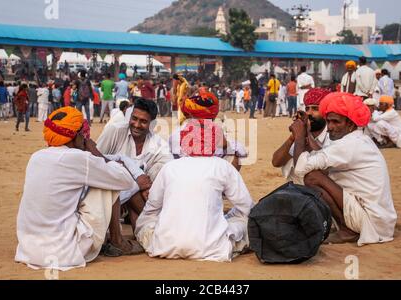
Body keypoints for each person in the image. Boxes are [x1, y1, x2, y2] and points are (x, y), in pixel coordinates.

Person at [15, 107, 145, 271]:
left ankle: (113, 238)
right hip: (64, 252)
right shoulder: (78, 158)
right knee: (108, 184)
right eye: (81, 134)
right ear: (75, 136)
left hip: (29, 250)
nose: (84, 137)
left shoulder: (36, 157)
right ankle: (118, 242)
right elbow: (124, 180)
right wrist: (95, 152)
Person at [135, 96, 254, 262]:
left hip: (165, 247)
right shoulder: (222, 166)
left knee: (147, 221)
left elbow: (152, 208)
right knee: (246, 220)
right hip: (212, 248)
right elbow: (247, 207)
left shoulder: (170, 167)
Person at [290, 92, 397, 245]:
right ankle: (346, 226)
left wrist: (299, 136)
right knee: (318, 173)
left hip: (370, 221)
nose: (330, 127)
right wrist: (306, 132)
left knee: (312, 177)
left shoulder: (350, 144)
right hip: (379, 220)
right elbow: (317, 155)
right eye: (329, 121)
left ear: (351, 124)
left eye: (336, 122)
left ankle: (347, 230)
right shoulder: (356, 139)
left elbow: (301, 168)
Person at [97, 98, 173, 228]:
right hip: (109, 194)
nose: (136, 125)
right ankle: (153, 227)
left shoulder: (159, 145)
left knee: (160, 172)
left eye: (143, 121)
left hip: (141, 199)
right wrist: (136, 184)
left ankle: (146, 227)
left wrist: (145, 187)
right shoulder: (114, 131)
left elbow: (167, 172)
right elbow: (96, 161)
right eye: (134, 118)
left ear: (152, 124)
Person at [272, 88, 332, 185]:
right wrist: (293, 137)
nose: (308, 113)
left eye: (315, 109)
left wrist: (305, 133)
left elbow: (327, 170)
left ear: (326, 112)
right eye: (307, 109)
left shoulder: (333, 134)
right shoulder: (303, 133)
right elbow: (276, 162)